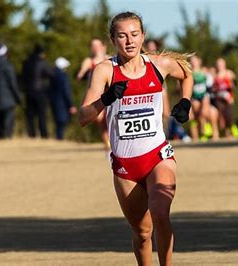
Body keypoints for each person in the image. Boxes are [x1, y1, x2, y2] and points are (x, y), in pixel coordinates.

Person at [78, 12, 193, 266]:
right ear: (112, 39)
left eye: (134, 34)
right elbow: (83, 116)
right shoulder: (105, 70)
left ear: (143, 36)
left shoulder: (157, 64)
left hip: (157, 155)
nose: (129, 41)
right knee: (142, 232)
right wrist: (105, 99)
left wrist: (185, 101)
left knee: (161, 213)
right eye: (122, 35)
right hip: (125, 165)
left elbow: (186, 72)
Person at [77, 38, 111, 150]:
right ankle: (107, 142)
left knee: (109, 118)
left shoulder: (109, 59)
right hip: (95, 93)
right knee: (100, 118)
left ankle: (110, 141)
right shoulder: (89, 61)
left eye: (97, 45)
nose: (96, 48)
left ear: (103, 46)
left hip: (109, 93)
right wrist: (82, 74)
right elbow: (81, 73)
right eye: (93, 46)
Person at [0, 43, 21, 139]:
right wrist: (18, 97)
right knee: (8, 118)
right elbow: (13, 84)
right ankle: (6, 137)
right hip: (8, 97)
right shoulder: (7, 66)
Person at [22, 44, 54, 139]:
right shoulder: (41, 62)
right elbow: (51, 74)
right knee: (41, 114)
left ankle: (31, 134)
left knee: (30, 114)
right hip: (39, 91)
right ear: (41, 53)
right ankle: (43, 134)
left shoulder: (26, 62)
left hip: (28, 91)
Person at [189, 55, 219, 141]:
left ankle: (208, 132)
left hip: (205, 96)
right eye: (192, 61)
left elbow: (210, 85)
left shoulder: (205, 72)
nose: (194, 63)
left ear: (199, 61)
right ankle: (202, 132)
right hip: (195, 98)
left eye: (195, 60)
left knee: (205, 111)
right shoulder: (189, 74)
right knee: (195, 107)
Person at [49, 57, 77, 140]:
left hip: (54, 101)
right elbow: (66, 91)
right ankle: (60, 138)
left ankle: (59, 137)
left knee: (58, 120)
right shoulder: (63, 76)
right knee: (62, 121)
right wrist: (71, 105)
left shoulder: (52, 74)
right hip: (62, 102)